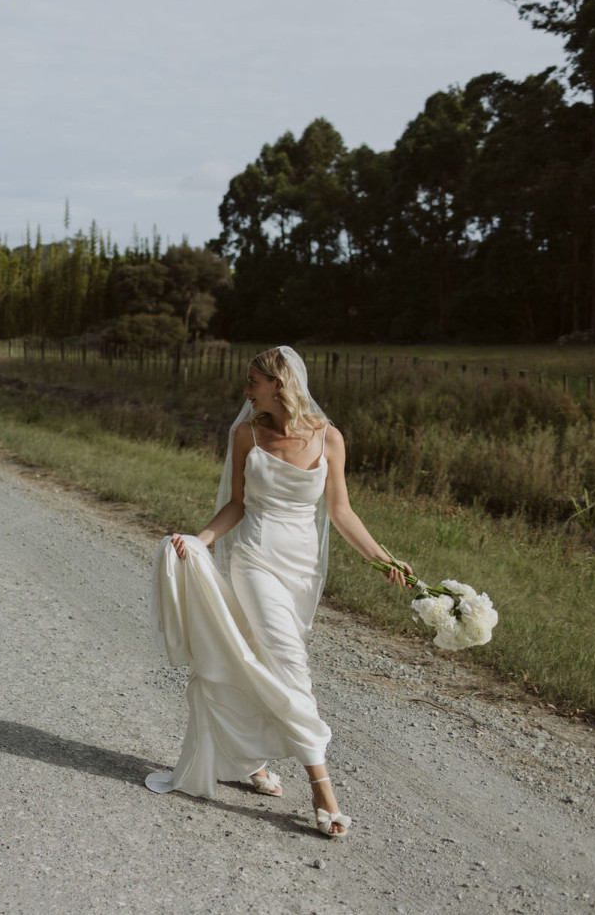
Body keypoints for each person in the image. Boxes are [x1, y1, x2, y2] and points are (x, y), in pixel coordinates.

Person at [145, 346, 409, 839]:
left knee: (264, 661)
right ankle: (322, 787)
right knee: (289, 664)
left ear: (280, 383)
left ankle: (249, 759)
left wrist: (384, 560)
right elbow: (238, 504)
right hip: (255, 560)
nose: (245, 390)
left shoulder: (329, 438)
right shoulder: (245, 434)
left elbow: (341, 512)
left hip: (301, 569)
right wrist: (200, 541)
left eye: (253, 381)